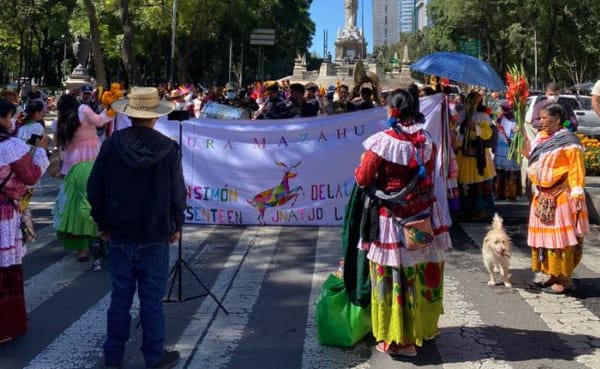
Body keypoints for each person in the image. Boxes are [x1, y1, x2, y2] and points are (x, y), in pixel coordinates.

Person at [87, 87, 185, 369]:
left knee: (120, 297)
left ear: (130, 115)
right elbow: (177, 192)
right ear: (154, 116)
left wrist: (103, 223)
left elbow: (96, 188)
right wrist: (176, 223)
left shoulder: (112, 145)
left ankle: (113, 355)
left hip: (119, 231)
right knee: (152, 299)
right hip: (155, 232)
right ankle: (154, 356)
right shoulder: (167, 149)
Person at [354, 85, 451, 357]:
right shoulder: (427, 140)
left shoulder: (384, 141)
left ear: (393, 110)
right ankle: (425, 328)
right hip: (422, 218)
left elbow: (363, 178)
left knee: (395, 277)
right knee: (421, 274)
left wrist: (362, 163)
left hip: (392, 223)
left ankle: (400, 339)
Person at [525, 104, 590, 294]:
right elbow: (531, 157)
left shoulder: (569, 141)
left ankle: (565, 279)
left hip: (562, 196)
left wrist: (577, 192)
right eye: (540, 118)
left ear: (557, 119)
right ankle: (553, 274)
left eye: (545, 118)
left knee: (561, 240)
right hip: (543, 196)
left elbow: (577, 168)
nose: (541, 121)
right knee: (546, 240)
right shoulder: (540, 139)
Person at [0, 100, 48, 343]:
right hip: (4, 217)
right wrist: (39, 151)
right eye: (8, 117)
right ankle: (4, 325)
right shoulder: (11, 147)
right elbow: (30, 176)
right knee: (4, 270)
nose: (10, 122)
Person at [52, 93, 113, 261]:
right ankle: (104, 240)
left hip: (72, 164)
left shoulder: (59, 121)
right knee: (100, 200)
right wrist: (111, 108)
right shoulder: (84, 110)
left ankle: (82, 249)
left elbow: (58, 143)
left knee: (75, 206)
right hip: (94, 160)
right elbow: (100, 121)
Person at [454, 91, 496, 221]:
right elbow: (455, 131)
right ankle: (466, 209)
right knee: (464, 185)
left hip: (479, 155)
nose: (473, 104)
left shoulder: (483, 116)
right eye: (472, 101)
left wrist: (474, 127)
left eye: (477, 101)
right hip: (463, 154)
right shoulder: (461, 115)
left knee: (480, 184)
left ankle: (482, 210)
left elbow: (487, 134)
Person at [494, 102, 522, 201]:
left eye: (501, 109)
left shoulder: (515, 121)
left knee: (510, 172)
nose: (500, 111)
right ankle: (499, 193)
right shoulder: (500, 119)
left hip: (510, 149)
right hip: (500, 149)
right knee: (500, 171)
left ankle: (510, 194)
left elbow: (515, 136)